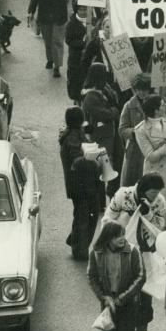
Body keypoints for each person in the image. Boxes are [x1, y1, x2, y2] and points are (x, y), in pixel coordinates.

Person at [104, 172, 166, 331]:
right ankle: (108, 328)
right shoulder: (123, 194)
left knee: (145, 294)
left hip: (145, 252)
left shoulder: (160, 201)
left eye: (157, 193)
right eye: (152, 192)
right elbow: (107, 217)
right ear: (143, 189)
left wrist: (149, 215)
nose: (155, 196)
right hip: (123, 251)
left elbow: (159, 227)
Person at [87, 221, 144, 331]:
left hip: (127, 305)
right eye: (117, 236)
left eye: (123, 235)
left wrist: (123, 298)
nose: (122, 239)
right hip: (107, 306)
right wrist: (104, 298)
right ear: (108, 238)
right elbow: (92, 277)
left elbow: (140, 277)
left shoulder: (133, 251)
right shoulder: (97, 253)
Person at [133, 94, 166, 223]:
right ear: (156, 109)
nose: (165, 106)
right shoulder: (141, 130)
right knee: (162, 205)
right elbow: (151, 156)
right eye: (162, 104)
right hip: (156, 172)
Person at [60, 106, 101, 259]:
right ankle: (80, 249)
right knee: (86, 216)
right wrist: (94, 159)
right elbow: (78, 160)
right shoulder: (72, 137)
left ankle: (76, 241)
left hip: (80, 183)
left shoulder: (73, 133)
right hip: (81, 183)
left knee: (82, 215)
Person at [28, 0, 71, 78]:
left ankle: (57, 66)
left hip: (59, 14)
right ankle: (50, 59)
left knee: (57, 40)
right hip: (45, 13)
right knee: (47, 39)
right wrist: (31, 9)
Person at [81, 62, 120, 170]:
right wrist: (115, 110)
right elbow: (105, 115)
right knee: (104, 167)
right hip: (99, 137)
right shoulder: (90, 97)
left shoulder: (104, 89)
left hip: (107, 134)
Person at [118, 73, 154, 184]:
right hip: (135, 151)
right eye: (138, 90)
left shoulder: (157, 103)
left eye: (144, 90)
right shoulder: (129, 106)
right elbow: (122, 129)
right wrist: (135, 132)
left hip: (153, 147)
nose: (141, 93)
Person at [65, 7, 87, 104]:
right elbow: (68, 40)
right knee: (75, 81)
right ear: (76, 10)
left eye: (85, 9)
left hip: (88, 58)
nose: (83, 12)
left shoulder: (93, 21)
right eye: (81, 10)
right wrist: (83, 43)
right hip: (76, 58)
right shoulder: (71, 24)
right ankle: (77, 99)